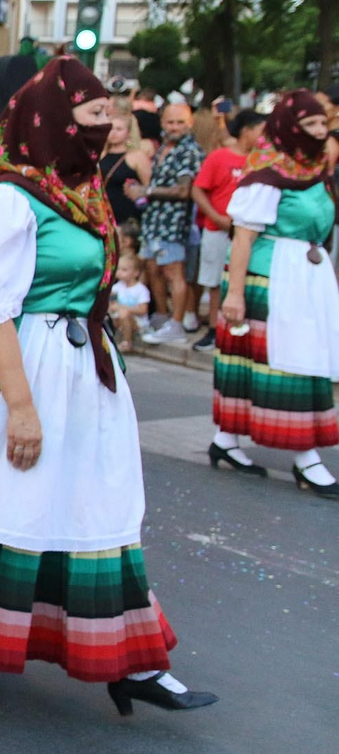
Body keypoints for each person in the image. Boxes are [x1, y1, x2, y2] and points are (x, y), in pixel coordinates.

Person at [0, 56, 217, 716]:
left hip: (80, 365)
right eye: (94, 115)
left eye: (110, 114)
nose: (109, 125)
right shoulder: (8, 194)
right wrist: (22, 407)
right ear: (58, 119)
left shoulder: (76, 185)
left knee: (98, 503)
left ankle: (131, 656)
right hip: (14, 363)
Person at [213, 90, 339, 495]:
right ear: (289, 128)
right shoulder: (266, 174)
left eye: (323, 123)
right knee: (289, 363)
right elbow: (244, 237)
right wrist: (234, 294)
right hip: (270, 279)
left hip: (305, 277)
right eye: (312, 125)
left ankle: (226, 442)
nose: (321, 132)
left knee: (287, 358)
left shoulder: (316, 169)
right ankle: (307, 458)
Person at [190, 109, 265, 352]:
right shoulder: (219, 157)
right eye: (260, 131)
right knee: (214, 282)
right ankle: (213, 329)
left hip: (250, 234)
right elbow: (198, 189)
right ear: (246, 130)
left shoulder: (264, 161)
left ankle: (238, 330)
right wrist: (215, 217)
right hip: (217, 229)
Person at [134, 102, 202, 344]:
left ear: (190, 123)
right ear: (162, 123)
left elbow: (184, 190)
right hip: (154, 220)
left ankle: (176, 323)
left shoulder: (189, 150)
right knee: (153, 269)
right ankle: (162, 317)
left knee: (174, 272)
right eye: (170, 122)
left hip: (172, 223)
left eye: (180, 122)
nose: (175, 127)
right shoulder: (165, 147)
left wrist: (148, 190)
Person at [98, 100, 149, 226]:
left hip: (127, 216)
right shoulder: (101, 153)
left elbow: (149, 186)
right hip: (102, 212)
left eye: (119, 129)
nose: (113, 133)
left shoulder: (137, 156)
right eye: (111, 128)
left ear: (128, 132)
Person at [111, 252, 151, 352]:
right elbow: (111, 305)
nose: (119, 272)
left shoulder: (141, 289)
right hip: (119, 318)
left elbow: (143, 309)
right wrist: (113, 307)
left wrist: (124, 308)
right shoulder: (115, 288)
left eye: (124, 270)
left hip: (138, 322)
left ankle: (127, 342)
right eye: (118, 269)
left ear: (136, 273)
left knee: (123, 313)